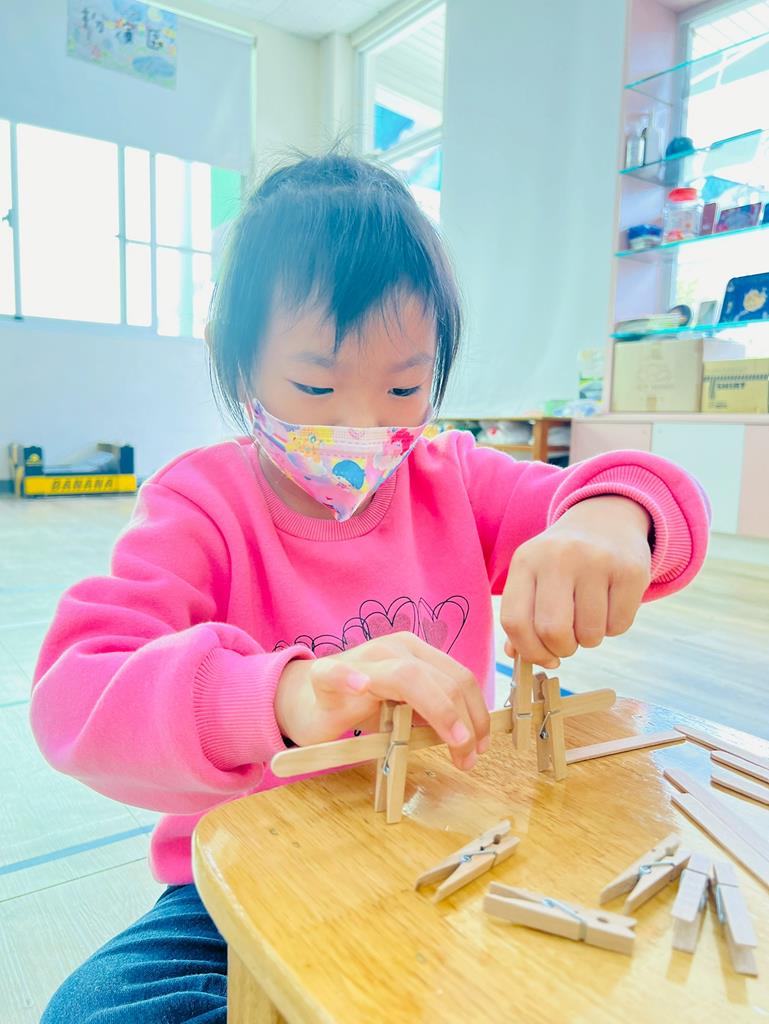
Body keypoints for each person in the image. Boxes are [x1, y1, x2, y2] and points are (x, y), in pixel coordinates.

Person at [33, 151, 709, 1022]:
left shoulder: (454, 481)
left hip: (452, 837)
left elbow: (641, 497)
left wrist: (612, 518)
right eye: (315, 384)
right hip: (253, 867)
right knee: (100, 1008)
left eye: (404, 385)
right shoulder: (198, 506)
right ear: (237, 366)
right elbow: (74, 695)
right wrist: (281, 696)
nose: (362, 423)